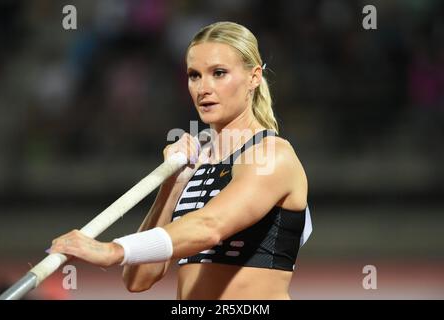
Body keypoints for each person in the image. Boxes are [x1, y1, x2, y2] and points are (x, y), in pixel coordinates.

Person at [50, 21, 312, 300]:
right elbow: (138, 278)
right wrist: (174, 184)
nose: (203, 88)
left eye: (219, 73)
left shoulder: (272, 155)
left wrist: (113, 250)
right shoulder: (197, 160)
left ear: (254, 77)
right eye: (194, 75)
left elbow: (210, 227)